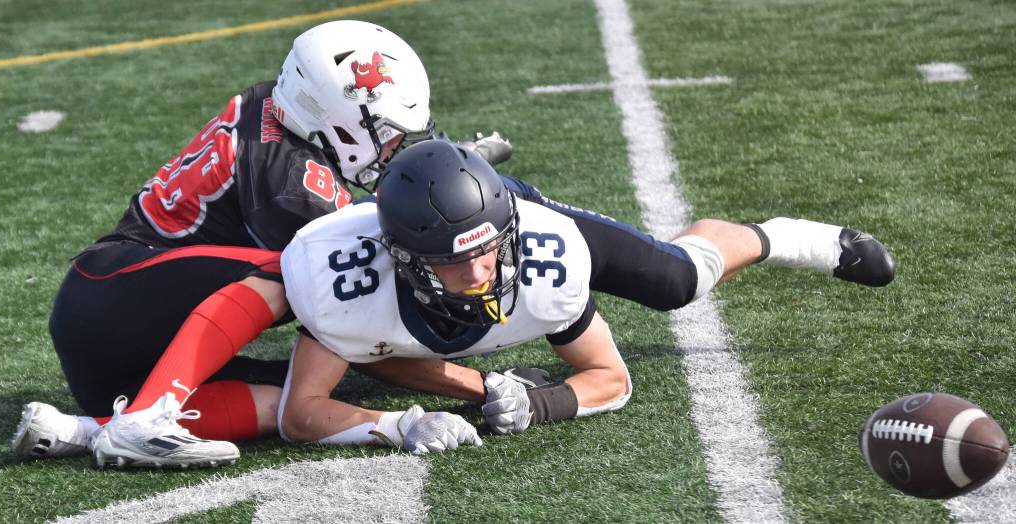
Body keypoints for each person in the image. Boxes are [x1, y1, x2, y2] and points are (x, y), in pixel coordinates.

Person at [9, 20, 510, 469]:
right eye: (385, 133)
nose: (393, 146)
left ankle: (86, 428)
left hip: (125, 332)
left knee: (291, 394)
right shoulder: (292, 187)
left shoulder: (280, 108)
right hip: (111, 300)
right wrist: (480, 385)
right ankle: (147, 416)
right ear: (336, 120)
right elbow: (353, 321)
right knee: (302, 276)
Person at [271, 138, 894, 453]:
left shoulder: (541, 259)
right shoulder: (346, 280)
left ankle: (781, 236)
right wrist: (397, 425)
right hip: (409, 236)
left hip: (507, 205)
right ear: (404, 257)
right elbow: (302, 412)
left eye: (490, 251)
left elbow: (610, 377)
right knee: (376, 349)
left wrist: (542, 403)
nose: (484, 272)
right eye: (457, 262)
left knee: (677, 280)